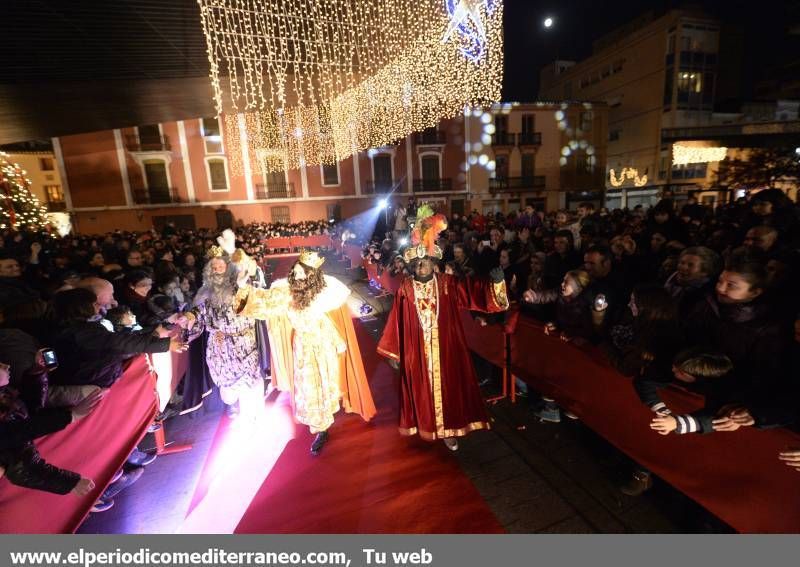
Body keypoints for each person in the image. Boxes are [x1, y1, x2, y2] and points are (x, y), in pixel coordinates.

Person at [377, 208, 509, 451]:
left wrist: (496, 284)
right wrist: (394, 352)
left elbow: (471, 293)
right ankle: (426, 426)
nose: (421, 268)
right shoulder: (406, 288)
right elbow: (396, 319)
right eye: (417, 264)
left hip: (446, 350)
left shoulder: (447, 284)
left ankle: (449, 431)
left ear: (433, 263)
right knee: (422, 391)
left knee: (449, 390)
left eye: (425, 263)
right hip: (417, 351)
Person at [234, 249, 376, 455]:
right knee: (309, 387)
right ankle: (320, 429)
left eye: (305, 272)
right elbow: (262, 304)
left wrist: (337, 341)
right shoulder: (286, 293)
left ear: (313, 276)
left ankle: (325, 421)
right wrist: (242, 287)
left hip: (324, 345)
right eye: (298, 271)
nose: (300, 275)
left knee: (327, 383)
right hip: (303, 348)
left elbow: (324, 319)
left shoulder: (322, 293)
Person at [186, 238, 263, 422]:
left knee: (249, 375)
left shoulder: (240, 282)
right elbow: (200, 310)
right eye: (214, 265)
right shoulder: (205, 291)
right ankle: (232, 404)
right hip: (220, 344)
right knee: (226, 377)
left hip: (244, 339)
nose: (217, 268)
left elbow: (250, 275)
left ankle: (251, 409)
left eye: (221, 264)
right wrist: (191, 316)